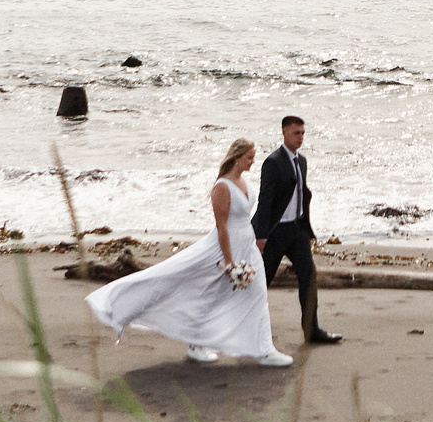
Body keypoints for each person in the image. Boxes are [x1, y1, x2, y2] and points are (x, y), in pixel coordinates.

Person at [85, 137, 293, 367]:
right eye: (249, 158)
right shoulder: (222, 187)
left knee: (257, 294)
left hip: (248, 244)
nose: (252, 162)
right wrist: (229, 262)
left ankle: (263, 350)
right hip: (225, 248)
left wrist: (254, 244)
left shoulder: (244, 182)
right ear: (237, 158)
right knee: (204, 293)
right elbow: (222, 226)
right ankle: (197, 344)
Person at [252, 115, 341, 346]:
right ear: (284, 133)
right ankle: (246, 329)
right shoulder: (273, 162)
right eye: (295, 133)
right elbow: (265, 200)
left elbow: (302, 193)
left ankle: (312, 330)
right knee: (262, 280)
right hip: (275, 232)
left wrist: (306, 228)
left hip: (297, 230)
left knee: (309, 276)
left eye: (302, 133)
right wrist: (261, 236)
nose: (300, 137)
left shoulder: (301, 160)